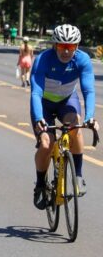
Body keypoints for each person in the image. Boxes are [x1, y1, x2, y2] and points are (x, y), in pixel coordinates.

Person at [31, 24, 99, 210]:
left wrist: (90, 117)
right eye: (62, 46)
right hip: (43, 104)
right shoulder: (43, 59)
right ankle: (40, 185)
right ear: (55, 45)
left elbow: (88, 90)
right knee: (46, 143)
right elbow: (36, 93)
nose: (66, 51)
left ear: (77, 46)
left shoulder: (82, 60)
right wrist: (38, 119)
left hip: (67, 101)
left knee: (75, 127)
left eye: (71, 47)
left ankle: (77, 175)